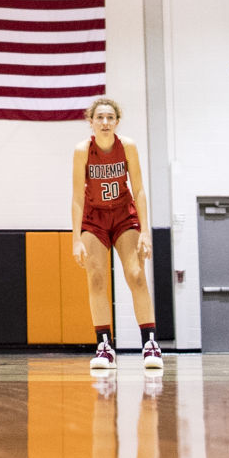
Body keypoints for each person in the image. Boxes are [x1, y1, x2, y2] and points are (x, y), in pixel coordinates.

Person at [69, 97, 163, 372]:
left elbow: (140, 189)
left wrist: (145, 231)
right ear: (91, 122)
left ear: (117, 121)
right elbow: (76, 197)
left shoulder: (127, 147)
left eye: (110, 117)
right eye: (100, 117)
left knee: (135, 274)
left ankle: (150, 343)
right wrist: (76, 238)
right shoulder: (82, 150)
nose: (105, 122)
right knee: (96, 278)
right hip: (94, 217)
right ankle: (104, 346)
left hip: (124, 214)